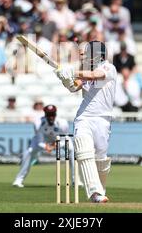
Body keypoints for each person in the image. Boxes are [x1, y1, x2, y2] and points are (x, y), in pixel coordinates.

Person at [54, 41, 116, 203]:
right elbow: (74, 87)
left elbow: (96, 76)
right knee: (84, 151)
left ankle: (100, 191)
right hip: (84, 117)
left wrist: (72, 72)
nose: (85, 56)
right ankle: (94, 193)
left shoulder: (109, 68)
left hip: (103, 119)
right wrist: (65, 79)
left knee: (101, 158)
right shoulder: (86, 70)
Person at [12, 105, 72, 188]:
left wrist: (55, 145)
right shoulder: (38, 123)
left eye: (52, 115)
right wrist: (47, 147)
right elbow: (39, 141)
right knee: (29, 152)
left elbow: (64, 139)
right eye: (48, 115)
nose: (51, 117)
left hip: (58, 140)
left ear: (55, 114)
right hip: (43, 141)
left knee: (71, 149)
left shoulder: (62, 123)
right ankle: (18, 180)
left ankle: (75, 180)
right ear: (45, 114)